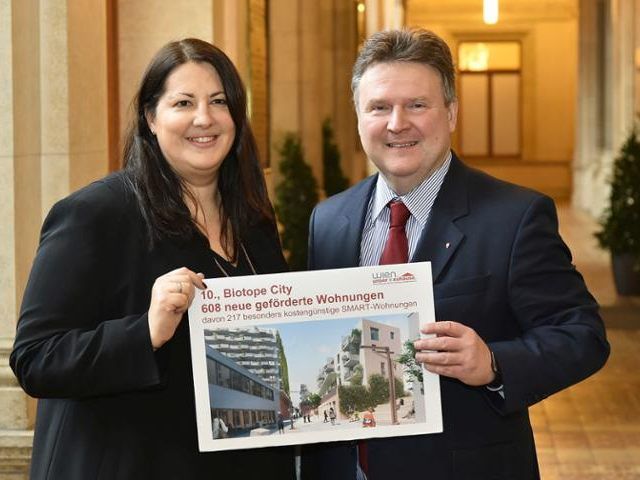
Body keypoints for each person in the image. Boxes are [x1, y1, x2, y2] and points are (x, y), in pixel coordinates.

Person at [302, 28, 610, 480]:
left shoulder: (516, 217)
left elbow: (583, 336)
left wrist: (494, 363)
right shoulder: (328, 220)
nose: (396, 123)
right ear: (358, 117)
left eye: (417, 105)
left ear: (451, 113)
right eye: (379, 107)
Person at [10, 38, 294, 479]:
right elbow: (36, 359)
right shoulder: (97, 214)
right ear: (151, 117)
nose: (204, 118)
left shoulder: (253, 219)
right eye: (183, 102)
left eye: (219, 101)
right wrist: (145, 331)